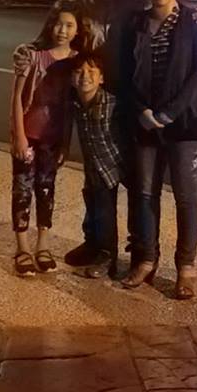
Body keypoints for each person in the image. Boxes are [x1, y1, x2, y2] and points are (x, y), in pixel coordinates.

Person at [14, 0, 197, 271]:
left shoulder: (137, 3)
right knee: (96, 178)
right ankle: (98, 242)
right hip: (89, 99)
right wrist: (26, 51)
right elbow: (49, 39)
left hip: (129, 101)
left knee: (136, 179)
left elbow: (169, 6)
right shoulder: (76, 5)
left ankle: (140, 250)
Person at [122, 0, 197, 301]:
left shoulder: (194, 21)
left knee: (186, 197)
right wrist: (143, 111)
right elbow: (127, 72)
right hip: (145, 121)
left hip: (184, 122)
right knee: (146, 192)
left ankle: (185, 268)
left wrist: (170, 112)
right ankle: (146, 259)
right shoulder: (138, 24)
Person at [9, 6, 80, 277]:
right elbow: (17, 98)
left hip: (53, 138)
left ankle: (43, 244)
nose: (63, 30)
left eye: (70, 25)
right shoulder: (32, 55)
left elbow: (71, 107)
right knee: (22, 189)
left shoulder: (76, 61)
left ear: (78, 31)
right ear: (50, 25)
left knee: (46, 189)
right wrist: (18, 136)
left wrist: (65, 142)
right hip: (29, 134)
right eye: (59, 24)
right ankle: (22, 248)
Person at [69, 51, 127, 279]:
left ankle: (107, 255)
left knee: (105, 209)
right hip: (93, 166)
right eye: (79, 72)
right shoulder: (76, 103)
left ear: (101, 77)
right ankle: (91, 244)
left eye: (91, 71)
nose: (85, 76)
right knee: (91, 202)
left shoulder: (111, 103)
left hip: (113, 165)